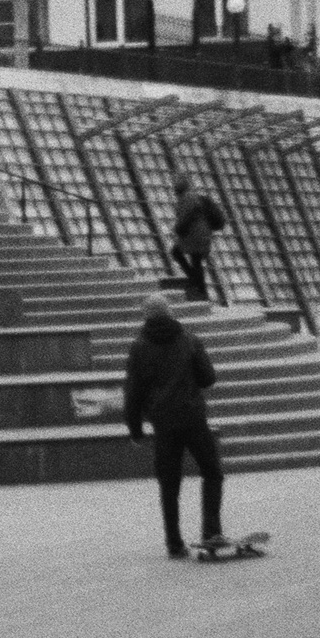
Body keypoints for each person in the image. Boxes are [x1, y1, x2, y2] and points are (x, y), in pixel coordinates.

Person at [124, 293, 226, 558]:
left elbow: (133, 391)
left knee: (169, 483)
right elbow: (208, 378)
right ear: (170, 311)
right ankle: (211, 531)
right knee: (212, 472)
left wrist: (135, 428)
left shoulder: (139, 347)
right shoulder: (189, 339)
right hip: (193, 418)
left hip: (163, 423)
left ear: (145, 315)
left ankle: (174, 543)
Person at [169, 170, 228, 303]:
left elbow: (183, 219)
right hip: (202, 234)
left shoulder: (186, 198)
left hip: (194, 235)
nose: (173, 186)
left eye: (175, 183)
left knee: (177, 253)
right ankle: (201, 291)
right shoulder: (194, 197)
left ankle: (196, 284)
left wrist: (177, 229)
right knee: (196, 261)